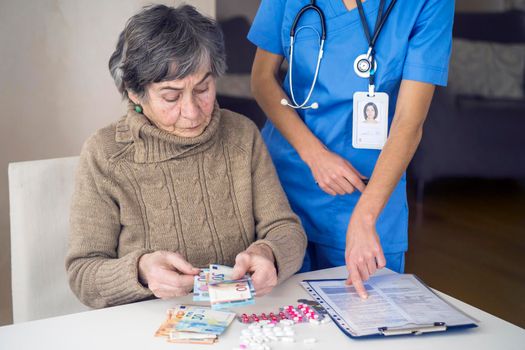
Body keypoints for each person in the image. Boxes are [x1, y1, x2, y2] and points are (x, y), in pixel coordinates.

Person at [66, 4, 306, 309]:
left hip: (242, 316)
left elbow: (286, 229)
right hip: (145, 326)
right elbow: (83, 274)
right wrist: (140, 271)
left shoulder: (242, 136)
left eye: (203, 88)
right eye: (171, 96)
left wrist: (269, 253)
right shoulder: (106, 154)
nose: (192, 112)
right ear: (135, 93)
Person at [249, 0, 453, 298]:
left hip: (370, 191)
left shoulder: (428, 4)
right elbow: (262, 79)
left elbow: (409, 122)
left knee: (367, 323)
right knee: (283, 325)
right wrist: (315, 155)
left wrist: (365, 216)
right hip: (288, 188)